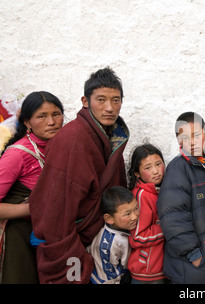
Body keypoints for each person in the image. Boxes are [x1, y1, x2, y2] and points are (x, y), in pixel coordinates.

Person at [29, 67, 130, 284]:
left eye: (116, 100)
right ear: (85, 101)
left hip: (101, 242)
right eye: (101, 100)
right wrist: (77, 261)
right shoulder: (72, 139)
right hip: (72, 243)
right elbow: (56, 212)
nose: (109, 108)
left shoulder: (111, 137)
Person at [0, 91, 64, 283]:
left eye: (56, 114)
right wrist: (33, 207)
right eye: (41, 116)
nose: (51, 122)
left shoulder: (63, 148)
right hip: (19, 239)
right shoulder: (17, 155)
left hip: (52, 237)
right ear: (27, 122)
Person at [156, 112, 205, 284]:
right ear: (178, 140)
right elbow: (172, 217)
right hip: (192, 263)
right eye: (184, 137)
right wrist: (193, 254)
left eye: (196, 135)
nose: (191, 142)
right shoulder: (178, 169)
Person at [127, 143, 167, 284]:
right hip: (146, 272)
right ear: (137, 173)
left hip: (159, 268)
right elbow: (137, 237)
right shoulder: (142, 196)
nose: (156, 171)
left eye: (158, 164)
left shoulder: (158, 191)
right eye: (148, 168)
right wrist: (167, 227)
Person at [87, 186, 139, 284]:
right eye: (127, 214)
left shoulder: (123, 226)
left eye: (136, 208)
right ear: (109, 219)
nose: (134, 217)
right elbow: (107, 277)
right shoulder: (108, 244)